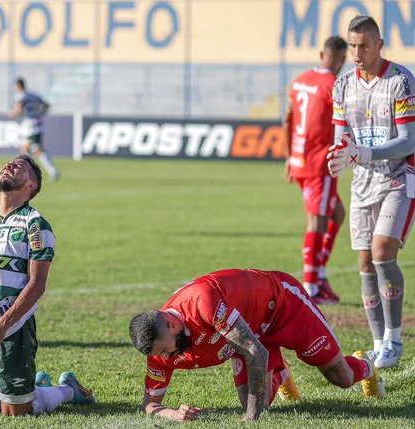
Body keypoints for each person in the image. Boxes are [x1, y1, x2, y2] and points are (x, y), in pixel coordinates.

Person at [0, 154, 94, 415]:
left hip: (11, 330)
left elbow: (37, 284)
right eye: (8, 163)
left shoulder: (35, 224)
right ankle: (33, 386)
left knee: (15, 412)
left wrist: (2, 327)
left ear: (30, 186)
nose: (8, 165)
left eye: (19, 167)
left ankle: (69, 390)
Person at [129, 268, 384, 422]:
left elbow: (254, 351)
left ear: (173, 325)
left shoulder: (202, 302)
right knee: (255, 400)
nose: (167, 357)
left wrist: (252, 418)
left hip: (283, 306)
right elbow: (149, 406)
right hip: (248, 333)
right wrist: (172, 413)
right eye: (159, 354)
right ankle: (281, 372)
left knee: (343, 378)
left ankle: (366, 366)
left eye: (166, 350)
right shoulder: (158, 349)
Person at [327, 15, 415, 368]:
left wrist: (364, 152)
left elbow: (409, 140)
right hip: (362, 183)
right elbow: (340, 137)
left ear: (380, 45)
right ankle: (378, 342)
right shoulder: (343, 85)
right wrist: (339, 154)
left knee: (381, 253)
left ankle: (394, 340)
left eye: (365, 45)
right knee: (365, 263)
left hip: (399, 178)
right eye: (353, 45)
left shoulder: (400, 81)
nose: (358, 52)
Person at [283, 37, 348, 304]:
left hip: (299, 159)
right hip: (319, 162)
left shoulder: (299, 80)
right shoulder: (334, 84)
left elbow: (287, 119)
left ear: (322, 53)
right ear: (341, 58)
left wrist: (289, 157)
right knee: (317, 221)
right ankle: (311, 285)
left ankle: (319, 275)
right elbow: (345, 120)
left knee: (337, 214)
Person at [7, 77, 60, 181]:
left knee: (37, 150)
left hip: (29, 125)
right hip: (37, 123)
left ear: (18, 86)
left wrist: (11, 114)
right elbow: (46, 105)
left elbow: (18, 109)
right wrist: (39, 114)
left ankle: (53, 171)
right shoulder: (34, 95)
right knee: (25, 148)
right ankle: (26, 173)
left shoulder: (20, 95)